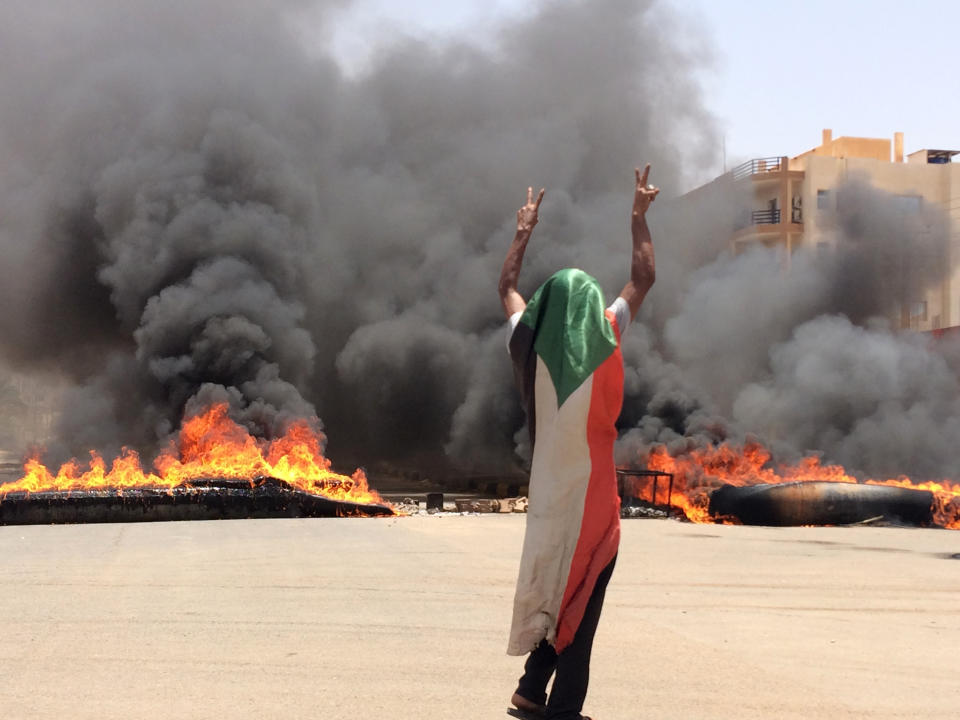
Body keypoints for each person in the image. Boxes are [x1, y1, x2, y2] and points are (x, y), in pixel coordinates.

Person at [499, 166, 659, 720]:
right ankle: (565, 710)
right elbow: (642, 278)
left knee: (557, 590)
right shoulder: (607, 334)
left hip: (547, 496)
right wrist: (638, 218)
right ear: (591, 310)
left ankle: (530, 688)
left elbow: (507, 290)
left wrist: (523, 234)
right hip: (592, 506)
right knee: (583, 602)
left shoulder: (527, 341)